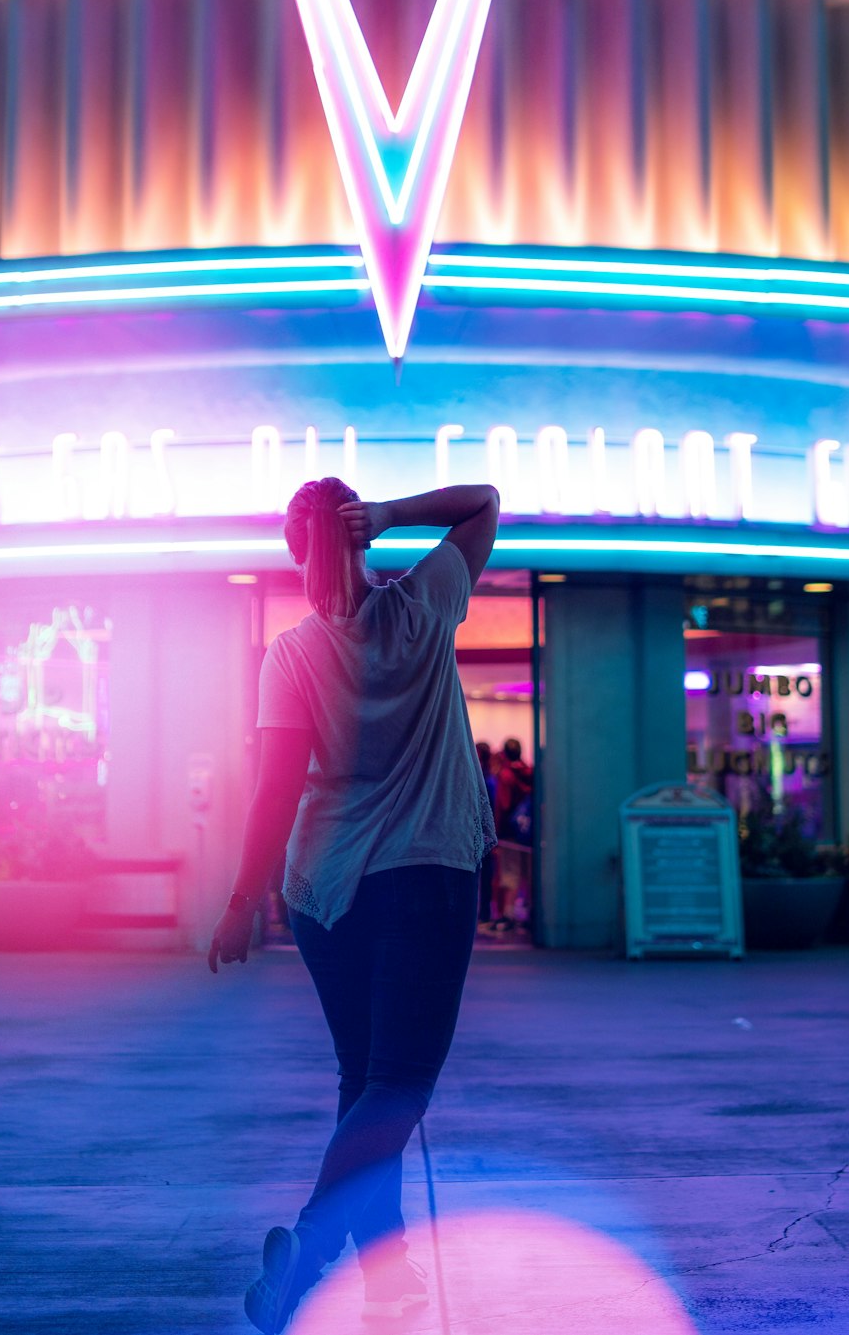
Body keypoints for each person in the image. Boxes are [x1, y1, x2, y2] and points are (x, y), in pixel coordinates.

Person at [208, 477, 500, 1333]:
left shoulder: (291, 654)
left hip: (327, 890)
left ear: (296, 554)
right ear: (361, 535)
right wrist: (397, 516)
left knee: (366, 1082)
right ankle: (311, 1243)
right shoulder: (425, 603)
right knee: (398, 1085)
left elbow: (274, 793)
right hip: (430, 876)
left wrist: (239, 901)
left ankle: (385, 1273)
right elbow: (484, 500)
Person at [492, 738, 533, 931]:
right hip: (529, 832)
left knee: (510, 875)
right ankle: (531, 913)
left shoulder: (506, 775)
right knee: (529, 874)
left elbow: (504, 805)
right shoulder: (529, 772)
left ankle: (508, 914)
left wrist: (496, 833)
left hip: (510, 834)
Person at [475, 742, 497, 927]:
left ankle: (484, 912)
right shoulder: (489, 778)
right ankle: (484, 911)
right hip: (485, 832)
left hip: (483, 833)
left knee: (485, 873)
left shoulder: (484, 779)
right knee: (486, 874)